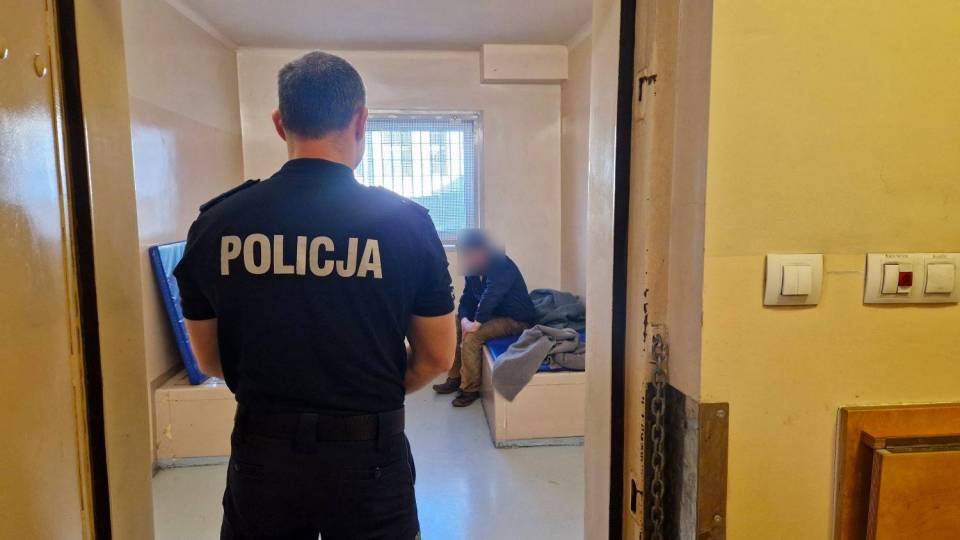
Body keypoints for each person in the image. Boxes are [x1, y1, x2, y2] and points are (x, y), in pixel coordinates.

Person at [173, 51, 456, 540]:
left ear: (280, 123)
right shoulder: (406, 224)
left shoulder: (217, 223)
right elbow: (437, 357)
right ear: (361, 120)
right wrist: (372, 395)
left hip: (262, 454)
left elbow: (210, 360)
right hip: (369, 454)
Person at [432, 229, 539, 407]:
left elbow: (492, 295)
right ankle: (454, 377)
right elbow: (467, 299)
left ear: (483, 250)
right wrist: (464, 320)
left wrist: (476, 323)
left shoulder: (502, 264)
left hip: (516, 319)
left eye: (470, 252)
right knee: (453, 325)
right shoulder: (472, 270)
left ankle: (470, 389)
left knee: (473, 337)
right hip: (493, 315)